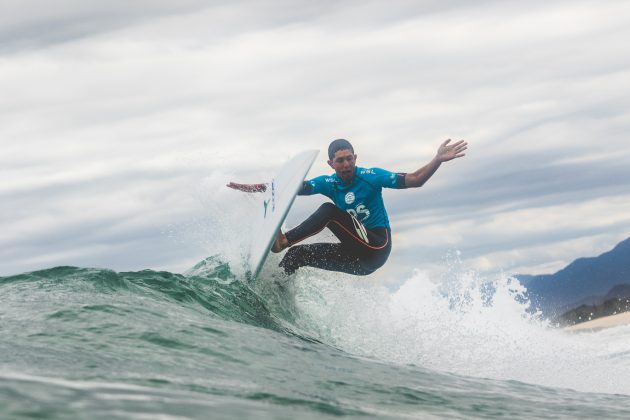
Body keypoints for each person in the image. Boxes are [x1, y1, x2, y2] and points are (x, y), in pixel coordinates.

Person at [228, 138, 467, 276]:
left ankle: (283, 240)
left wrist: (437, 160)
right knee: (296, 256)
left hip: (376, 247)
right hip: (354, 257)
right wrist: (256, 188)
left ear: (356, 158)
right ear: (331, 163)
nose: (346, 164)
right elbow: (291, 187)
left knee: (329, 211)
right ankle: (278, 293)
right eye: (340, 160)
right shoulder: (328, 182)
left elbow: (415, 180)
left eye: (349, 158)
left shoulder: (371, 176)